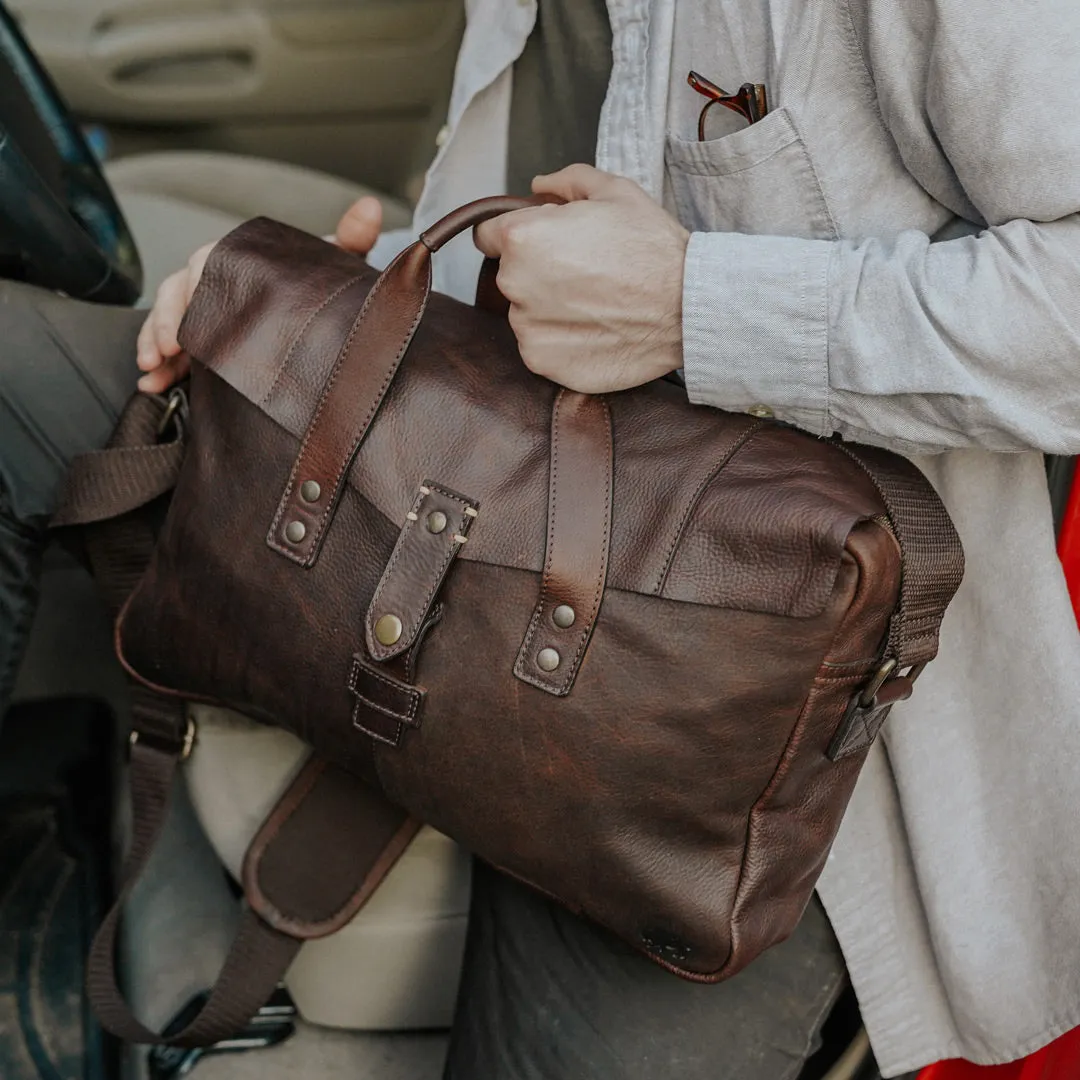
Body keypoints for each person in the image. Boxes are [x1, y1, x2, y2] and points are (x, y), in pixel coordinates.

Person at [3, 0, 1080, 1076]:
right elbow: (530, 230)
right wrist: (287, 307)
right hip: (484, 457)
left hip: (726, 689)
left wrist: (694, 305)